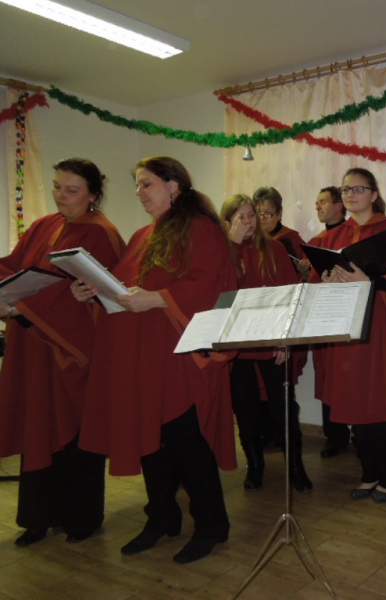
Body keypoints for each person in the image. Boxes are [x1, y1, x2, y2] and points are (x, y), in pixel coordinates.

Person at [75, 156, 237, 564]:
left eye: (146, 184)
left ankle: (212, 525)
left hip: (178, 356)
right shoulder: (142, 235)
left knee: (186, 443)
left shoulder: (200, 229)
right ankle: (162, 518)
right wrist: (93, 291)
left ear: (173, 186)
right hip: (142, 357)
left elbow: (210, 285)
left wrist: (158, 299)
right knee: (152, 442)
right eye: (137, 185)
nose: (139, 192)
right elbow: (124, 288)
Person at [0, 159, 124, 547]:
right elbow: (12, 266)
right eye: (57, 187)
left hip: (72, 352)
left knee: (75, 434)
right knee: (37, 429)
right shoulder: (44, 225)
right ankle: (37, 517)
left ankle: (81, 517)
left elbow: (103, 295)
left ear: (93, 195)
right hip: (35, 349)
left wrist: (23, 306)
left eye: (71, 191)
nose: (60, 196)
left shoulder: (101, 233)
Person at [315, 168, 386, 503]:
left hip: (378, 325)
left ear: (374, 194)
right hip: (345, 327)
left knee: (377, 403)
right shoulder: (335, 235)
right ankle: (369, 472)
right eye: (346, 189)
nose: (350, 194)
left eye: (358, 189)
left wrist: (369, 282)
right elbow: (321, 280)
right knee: (352, 401)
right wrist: (326, 282)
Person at [220, 193, 312, 493]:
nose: (249, 222)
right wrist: (233, 246)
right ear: (227, 223)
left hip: (273, 341)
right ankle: (255, 465)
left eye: (253, 215)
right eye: (241, 217)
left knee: (284, 408)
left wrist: (285, 340)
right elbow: (220, 292)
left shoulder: (274, 248)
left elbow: (290, 295)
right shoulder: (222, 253)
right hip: (237, 345)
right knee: (245, 410)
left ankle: (295, 467)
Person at [297, 186, 351, 458]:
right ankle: (335, 435)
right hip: (323, 318)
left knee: (350, 377)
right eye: (316, 203)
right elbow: (311, 284)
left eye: (323, 202)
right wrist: (304, 272)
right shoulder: (315, 241)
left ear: (339, 205)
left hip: (347, 316)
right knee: (327, 375)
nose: (318, 207)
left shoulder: (353, 233)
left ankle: (360, 432)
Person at [253, 186, 307, 268]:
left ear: (279, 214)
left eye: (268, 213)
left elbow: (309, 270)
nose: (261, 217)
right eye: (258, 212)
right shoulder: (250, 240)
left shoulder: (292, 238)